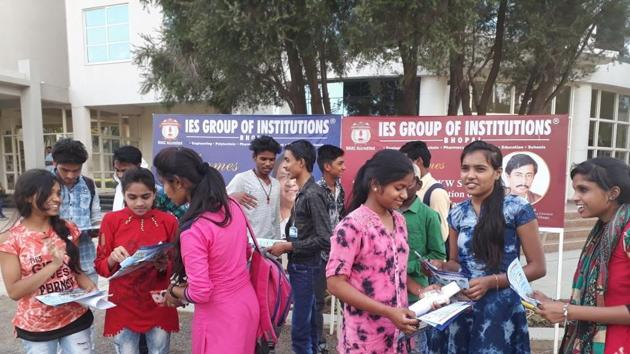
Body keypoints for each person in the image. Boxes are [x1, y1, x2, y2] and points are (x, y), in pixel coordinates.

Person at [428, 140, 546, 353]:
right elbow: (456, 263)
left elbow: (537, 267)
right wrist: (441, 267)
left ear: (497, 172)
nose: (470, 175)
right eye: (465, 168)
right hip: (462, 308)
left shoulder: (517, 208)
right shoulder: (457, 213)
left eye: (480, 169)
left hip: (500, 310)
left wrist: (491, 282)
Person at [153, 147, 259, 354]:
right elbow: (245, 252)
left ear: (178, 182)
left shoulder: (195, 229)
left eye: (164, 182)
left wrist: (173, 290)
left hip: (219, 316)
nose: (164, 190)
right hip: (246, 305)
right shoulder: (231, 207)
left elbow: (201, 292)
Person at [326, 149, 422, 353]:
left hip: (399, 334)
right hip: (365, 338)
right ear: (375, 184)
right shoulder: (352, 226)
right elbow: (335, 284)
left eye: (407, 188)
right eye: (399, 188)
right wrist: (388, 312)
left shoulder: (399, 220)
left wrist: (421, 291)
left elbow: (395, 272)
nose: (405, 195)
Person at [534, 157, 630, 353]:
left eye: (583, 189)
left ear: (613, 193)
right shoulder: (602, 233)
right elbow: (601, 300)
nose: (574, 197)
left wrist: (568, 311)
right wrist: (555, 303)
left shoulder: (626, 233)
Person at [0, 169, 97, 354]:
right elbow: (14, 291)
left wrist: (90, 289)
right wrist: (53, 265)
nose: (57, 199)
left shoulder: (68, 228)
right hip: (37, 325)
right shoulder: (10, 240)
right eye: (49, 193)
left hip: (74, 317)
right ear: (28, 197)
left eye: (58, 193)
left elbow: (75, 271)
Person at [94, 168, 179, 354]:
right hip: (124, 300)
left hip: (159, 299)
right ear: (123, 194)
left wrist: (165, 265)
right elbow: (100, 266)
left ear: (155, 194)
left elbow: (178, 264)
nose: (139, 203)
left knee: (159, 349)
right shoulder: (111, 220)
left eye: (146, 196)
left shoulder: (169, 221)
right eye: (132, 197)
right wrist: (111, 258)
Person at [267, 140, 332, 354]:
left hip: (309, 269)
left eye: (287, 160)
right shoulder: (305, 192)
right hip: (302, 268)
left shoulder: (313, 194)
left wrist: (288, 246)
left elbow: (325, 239)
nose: (284, 166)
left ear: (301, 163)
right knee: (307, 330)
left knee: (301, 333)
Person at [400, 164, 446, 354]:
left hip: (416, 297)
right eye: (397, 184)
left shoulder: (428, 215)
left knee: (416, 347)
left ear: (418, 184)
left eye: (406, 184)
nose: (402, 190)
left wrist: (409, 266)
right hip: (387, 299)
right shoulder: (386, 214)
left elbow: (438, 255)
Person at [52, 139, 101, 285]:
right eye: (65, 170)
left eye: (76, 170)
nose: (70, 175)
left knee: (88, 303)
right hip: (54, 259)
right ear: (54, 163)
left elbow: (95, 216)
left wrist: (96, 228)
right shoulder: (45, 184)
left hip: (85, 259)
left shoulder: (89, 185)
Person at [314, 144, 346, 353]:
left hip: (341, 255)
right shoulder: (315, 191)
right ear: (327, 166)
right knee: (317, 303)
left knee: (348, 300)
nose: (344, 167)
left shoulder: (341, 189)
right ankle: (319, 344)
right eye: (340, 163)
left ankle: (350, 341)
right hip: (319, 255)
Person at [227, 135, 282, 240]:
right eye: (263, 159)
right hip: (247, 244)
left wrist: (278, 241)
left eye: (272, 160)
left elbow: (275, 220)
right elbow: (218, 202)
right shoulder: (241, 179)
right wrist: (232, 197)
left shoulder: (276, 184)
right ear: (254, 157)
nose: (268, 163)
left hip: (270, 246)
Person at [399, 141, 451, 245]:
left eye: (405, 162)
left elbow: (441, 235)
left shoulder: (436, 192)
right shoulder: (403, 190)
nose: (402, 167)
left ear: (418, 161)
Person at [112, 145, 143, 212]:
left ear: (138, 166)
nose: (120, 175)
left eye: (124, 170)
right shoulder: (119, 187)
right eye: (117, 170)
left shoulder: (153, 189)